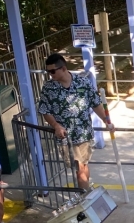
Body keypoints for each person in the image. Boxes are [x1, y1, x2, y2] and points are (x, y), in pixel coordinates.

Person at [38, 53, 115, 189]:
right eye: (48, 71)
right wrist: (56, 125)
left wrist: (105, 120)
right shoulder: (48, 88)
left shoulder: (83, 83)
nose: (50, 74)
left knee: (83, 166)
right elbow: (45, 110)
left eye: (52, 71)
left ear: (63, 68)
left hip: (84, 133)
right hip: (66, 137)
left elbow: (96, 103)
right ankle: (86, 196)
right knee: (79, 168)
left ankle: (85, 196)